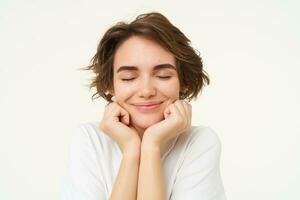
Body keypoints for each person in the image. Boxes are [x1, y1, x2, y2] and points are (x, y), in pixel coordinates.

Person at [60, 12, 226, 200]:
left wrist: (151, 145)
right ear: (110, 85)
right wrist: (131, 150)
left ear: (183, 81)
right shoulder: (90, 140)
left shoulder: (199, 142)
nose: (146, 91)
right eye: (129, 77)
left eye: (163, 75)